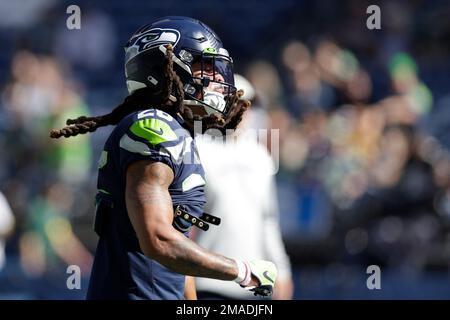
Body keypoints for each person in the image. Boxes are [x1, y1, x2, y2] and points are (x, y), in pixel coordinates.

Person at [49, 16, 277, 300]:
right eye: (205, 67)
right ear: (168, 67)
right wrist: (242, 271)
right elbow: (158, 239)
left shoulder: (175, 131)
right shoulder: (153, 128)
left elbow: (178, 261)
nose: (218, 79)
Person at [195, 75, 294, 300]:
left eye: (248, 105)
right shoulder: (197, 151)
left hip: (255, 285)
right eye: (235, 103)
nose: (243, 111)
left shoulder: (260, 158)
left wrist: (283, 271)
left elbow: (268, 220)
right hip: (207, 282)